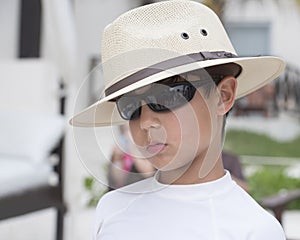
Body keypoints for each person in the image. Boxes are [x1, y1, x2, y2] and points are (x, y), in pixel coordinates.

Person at [70, 1, 286, 239]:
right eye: (129, 106)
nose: (146, 122)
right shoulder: (111, 210)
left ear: (222, 95)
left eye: (167, 95)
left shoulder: (254, 229)